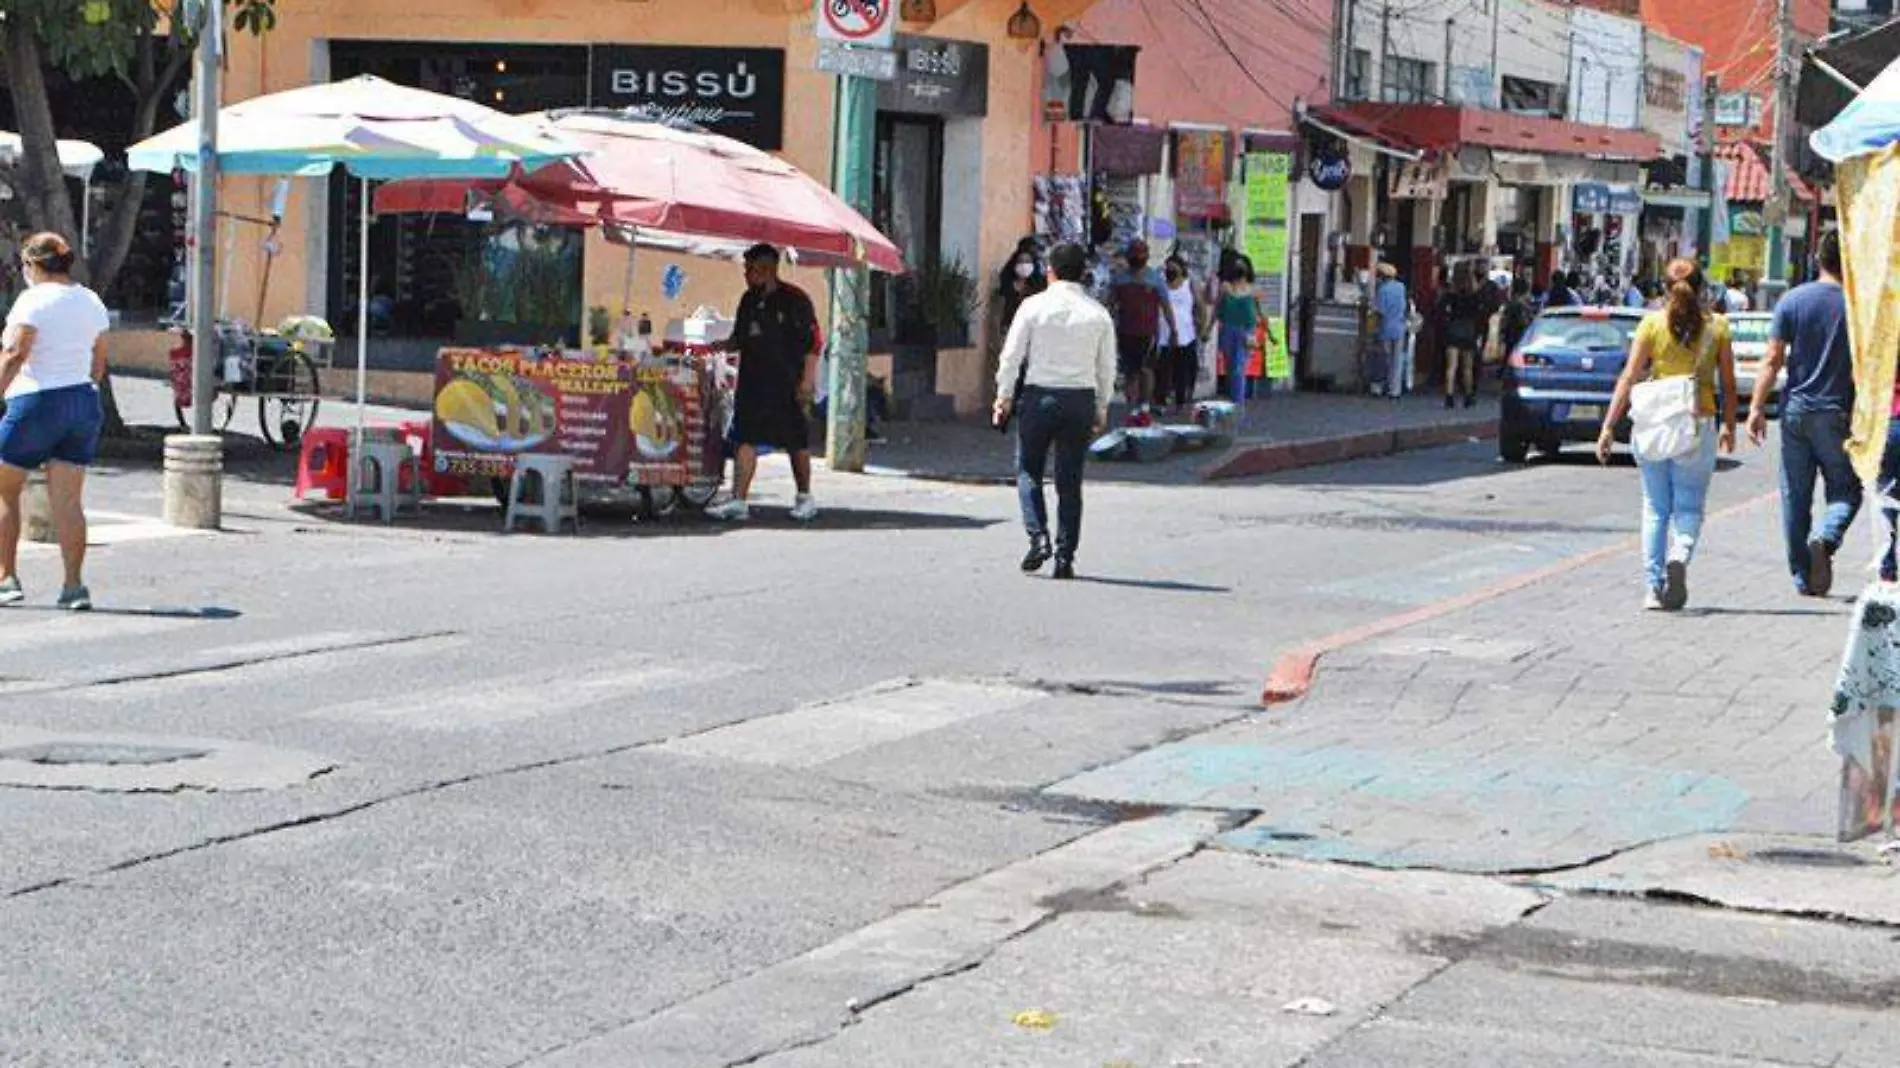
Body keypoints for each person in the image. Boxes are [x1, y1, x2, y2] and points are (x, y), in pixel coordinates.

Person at [1597, 258, 1738, 611]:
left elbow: (1629, 377)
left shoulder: (1650, 324)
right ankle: (1680, 555)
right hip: (1697, 422)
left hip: (1655, 424)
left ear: (1663, 289)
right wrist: (1730, 426)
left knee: (1655, 509)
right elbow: (1730, 385)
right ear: (1702, 287)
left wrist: (1609, 426)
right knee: (1689, 505)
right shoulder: (1717, 327)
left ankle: (1653, 587)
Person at [992, 243, 1116, 581]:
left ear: (1050, 271)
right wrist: (1101, 406)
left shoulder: (1033, 307)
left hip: (1039, 397)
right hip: (1080, 400)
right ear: (1084, 274)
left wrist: (1003, 397)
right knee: (1070, 482)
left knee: (1029, 470)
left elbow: (1011, 356)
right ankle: (1065, 557)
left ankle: (1038, 536)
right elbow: (1107, 367)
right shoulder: (1098, 314)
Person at [0, 232, 109, 610]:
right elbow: (98, 361)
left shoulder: (33, 301)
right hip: (81, 401)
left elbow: (15, 353)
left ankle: (7, 578)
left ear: (33, 264)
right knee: (68, 500)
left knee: (4, 490)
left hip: (36, 400)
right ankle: (74, 586)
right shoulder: (90, 300)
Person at [1748, 229, 1858, 597]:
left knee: (1795, 496)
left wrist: (1756, 408)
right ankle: (1825, 540)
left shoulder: (1792, 301)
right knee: (1846, 491)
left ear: (1817, 260)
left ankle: (1802, 576)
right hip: (1838, 412)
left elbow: (1772, 360)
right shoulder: (1857, 306)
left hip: (1794, 409)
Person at [707, 244, 821, 523]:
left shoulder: (795, 300)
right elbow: (739, 338)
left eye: (750, 269)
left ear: (767, 270)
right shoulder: (748, 300)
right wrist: (719, 345)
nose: (746, 274)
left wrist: (807, 381)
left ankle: (804, 497)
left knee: (796, 441)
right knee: (744, 439)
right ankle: (739, 500)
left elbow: (813, 344)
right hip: (752, 383)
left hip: (786, 383)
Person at [1108, 240, 1176, 417]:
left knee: (1146, 369)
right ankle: (1131, 407)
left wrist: (1173, 330)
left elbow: (1166, 305)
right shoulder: (1119, 279)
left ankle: (1144, 404)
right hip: (1125, 331)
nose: (1138, 257)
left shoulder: (1155, 279)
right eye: (1134, 253)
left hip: (1148, 333)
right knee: (1130, 371)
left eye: (1141, 253)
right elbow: (1110, 304)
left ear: (1147, 256)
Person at [1215, 258, 1273, 409]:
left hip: (1246, 332)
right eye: (1236, 265)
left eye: (1242, 265)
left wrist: (1270, 334)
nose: (1239, 268)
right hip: (1227, 330)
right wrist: (1208, 329)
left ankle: (1238, 404)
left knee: (1239, 367)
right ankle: (1232, 399)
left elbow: (1263, 313)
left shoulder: (1255, 290)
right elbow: (1217, 309)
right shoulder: (1225, 287)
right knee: (1229, 367)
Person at [1155, 254, 1204, 411]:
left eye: (1173, 268)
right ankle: (1161, 400)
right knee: (1163, 369)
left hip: (1186, 334)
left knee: (1182, 370)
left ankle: (1181, 401)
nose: (1169, 271)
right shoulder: (1161, 284)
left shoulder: (1189, 285)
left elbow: (1200, 306)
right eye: (1167, 268)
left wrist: (1201, 327)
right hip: (1163, 334)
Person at [1436, 266, 1485, 409]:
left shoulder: (1450, 295)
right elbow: (1479, 314)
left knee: (1451, 366)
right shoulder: (1474, 295)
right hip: (1468, 331)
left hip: (1453, 330)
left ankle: (1449, 397)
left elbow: (1441, 310)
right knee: (1467, 368)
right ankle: (1468, 397)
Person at [1374, 263, 1411, 401]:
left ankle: (1381, 386)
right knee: (1397, 360)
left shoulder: (1382, 290)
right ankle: (1395, 390)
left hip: (1386, 327)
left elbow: (1380, 312)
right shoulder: (1401, 287)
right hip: (1399, 326)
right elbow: (1405, 306)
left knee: (1385, 359)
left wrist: (1376, 329)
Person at [1500, 277, 1536, 362]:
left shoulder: (1512, 303)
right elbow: (1524, 322)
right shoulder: (1521, 305)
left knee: (1508, 358)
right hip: (1518, 336)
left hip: (1511, 336)